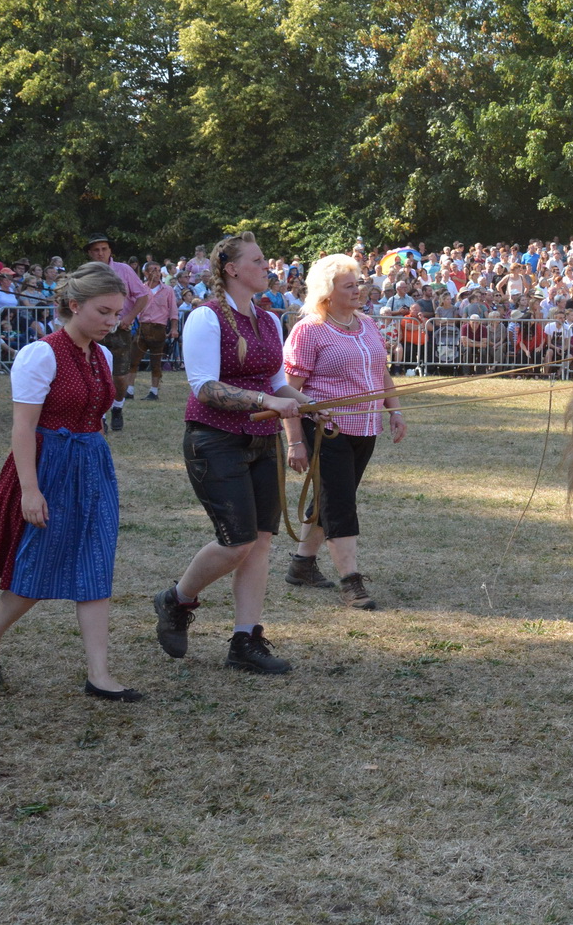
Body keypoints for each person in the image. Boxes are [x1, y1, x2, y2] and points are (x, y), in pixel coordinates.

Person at [0, 262, 141, 700]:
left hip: (92, 466)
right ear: (74, 305)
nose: (112, 322)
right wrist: (30, 489)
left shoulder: (102, 355)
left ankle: (99, 673)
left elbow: (95, 418)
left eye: (117, 313)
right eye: (104, 311)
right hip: (48, 467)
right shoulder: (40, 354)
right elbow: (23, 428)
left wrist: (96, 468)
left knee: (96, 564)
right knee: (37, 566)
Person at [153, 232, 305, 674]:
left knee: (259, 543)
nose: (268, 268)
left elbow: (277, 383)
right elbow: (205, 387)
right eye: (258, 261)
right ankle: (177, 599)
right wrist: (267, 403)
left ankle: (245, 640)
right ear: (232, 269)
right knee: (236, 541)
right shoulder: (207, 318)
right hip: (214, 440)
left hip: (262, 441)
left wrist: (314, 404)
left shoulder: (270, 320)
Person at [281, 254, 408, 608]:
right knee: (341, 502)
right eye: (349, 285)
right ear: (327, 292)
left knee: (332, 497)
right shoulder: (309, 330)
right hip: (325, 430)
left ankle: (301, 565)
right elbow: (286, 391)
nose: (359, 290)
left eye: (359, 283)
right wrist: (294, 442)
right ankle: (351, 582)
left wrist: (394, 411)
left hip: (365, 427)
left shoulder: (367, 323)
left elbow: (381, 372)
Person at [84, 234, 150, 431]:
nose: (100, 253)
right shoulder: (85, 273)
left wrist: (129, 317)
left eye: (104, 249)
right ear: (90, 253)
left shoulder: (124, 270)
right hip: (93, 330)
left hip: (119, 329)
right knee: (95, 374)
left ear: (110, 251)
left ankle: (118, 407)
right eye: (96, 250)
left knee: (120, 376)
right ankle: (100, 416)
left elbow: (143, 296)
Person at [131, 261, 178, 400]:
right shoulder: (141, 289)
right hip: (143, 327)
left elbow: (173, 311)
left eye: (158, 270)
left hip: (159, 328)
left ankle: (154, 391)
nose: (157, 273)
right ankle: (129, 390)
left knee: (156, 362)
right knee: (133, 360)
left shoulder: (168, 290)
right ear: (146, 273)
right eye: (153, 270)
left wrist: (174, 328)